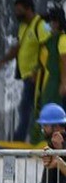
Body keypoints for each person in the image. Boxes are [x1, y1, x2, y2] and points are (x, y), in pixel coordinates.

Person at [0, 0, 50, 143]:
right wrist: (1, 62)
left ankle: (22, 139)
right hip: (27, 76)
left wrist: (38, 70)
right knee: (27, 108)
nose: (16, 13)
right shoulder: (24, 26)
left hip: (37, 77)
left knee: (27, 107)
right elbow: (17, 48)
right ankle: (28, 138)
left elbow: (48, 49)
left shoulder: (41, 25)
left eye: (19, 10)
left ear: (29, 9)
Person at [32, 8, 66, 144]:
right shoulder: (51, 39)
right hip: (49, 80)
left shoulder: (62, 39)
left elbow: (64, 61)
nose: (48, 25)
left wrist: (64, 82)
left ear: (57, 23)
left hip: (57, 81)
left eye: (50, 21)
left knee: (54, 113)